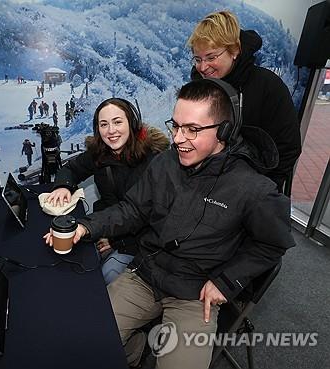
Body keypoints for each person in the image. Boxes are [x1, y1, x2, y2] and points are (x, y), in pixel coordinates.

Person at [44, 79, 295, 369]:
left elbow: (272, 244)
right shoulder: (165, 163)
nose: (177, 138)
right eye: (175, 126)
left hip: (194, 293)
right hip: (146, 274)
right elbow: (131, 209)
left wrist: (226, 282)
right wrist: (86, 227)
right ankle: (134, 350)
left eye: (192, 130)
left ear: (224, 130)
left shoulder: (255, 189)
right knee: (82, 338)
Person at [46, 97, 169, 283]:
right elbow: (71, 169)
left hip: (136, 242)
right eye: (104, 124)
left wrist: (114, 241)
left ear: (132, 123)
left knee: (105, 275)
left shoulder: (154, 162)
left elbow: (147, 219)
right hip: (102, 228)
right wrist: (64, 185)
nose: (111, 131)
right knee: (68, 264)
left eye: (117, 122)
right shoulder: (100, 154)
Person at [188, 10, 301, 192]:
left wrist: (259, 187)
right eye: (198, 59)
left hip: (251, 189)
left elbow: (288, 147)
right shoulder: (197, 87)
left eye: (211, 57)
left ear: (234, 51)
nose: (203, 67)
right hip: (203, 184)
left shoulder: (268, 86)